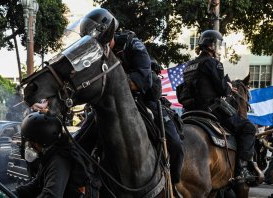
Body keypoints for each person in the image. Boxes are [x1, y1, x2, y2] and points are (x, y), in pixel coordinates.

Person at [79, 8, 184, 186]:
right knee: (79, 141)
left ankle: (172, 184)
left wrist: (115, 85)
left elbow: (143, 79)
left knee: (175, 145)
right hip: (109, 104)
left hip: (143, 99)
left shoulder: (133, 44)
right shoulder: (97, 55)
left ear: (108, 34)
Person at [176, 29, 257, 183]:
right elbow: (221, 90)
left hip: (189, 111)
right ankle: (242, 169)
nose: (219, 48)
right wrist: (227, 86)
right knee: (249, 128)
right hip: (212, 109)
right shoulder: (213, 63)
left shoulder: (189, 65)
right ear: (212, 46)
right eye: (218, 45)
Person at [13, 112, 88, 198]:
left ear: (41, 141)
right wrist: (16, 193)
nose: (29, 145)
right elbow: (37, 184)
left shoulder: (59, 161)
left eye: (30, 142)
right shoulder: (49, 156)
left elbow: (51, 195)